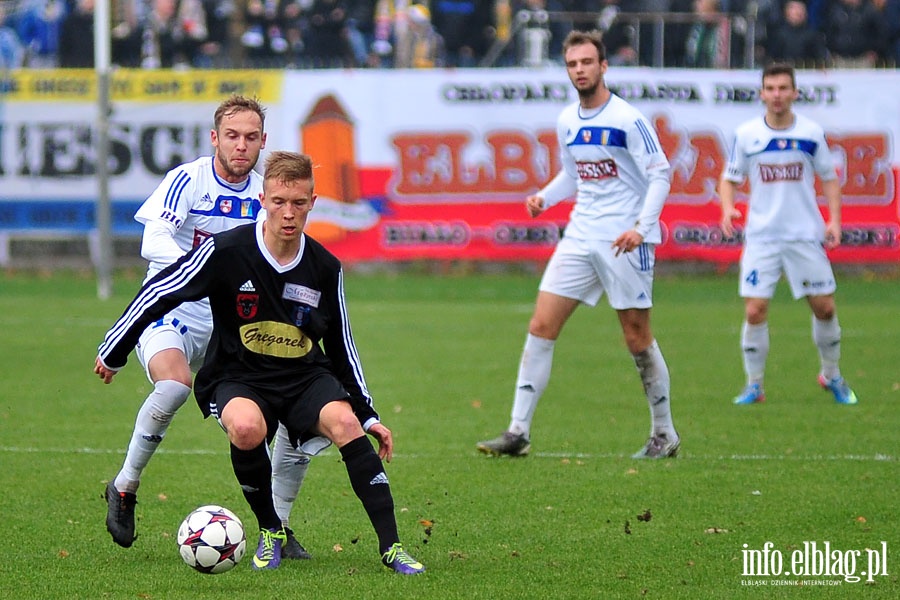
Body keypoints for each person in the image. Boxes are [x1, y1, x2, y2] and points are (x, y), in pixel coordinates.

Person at [94, 151, 426, 574]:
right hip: (238, 375)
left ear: (312, 202)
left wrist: (368, 414)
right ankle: (271, 530)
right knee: (248, 428)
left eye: (299, 203)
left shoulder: (325, 266)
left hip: (304, 374)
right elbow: (161, 290)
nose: (289, 213)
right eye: (279, 202)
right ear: (263, 200)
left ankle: (392, 547)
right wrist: (115, 348)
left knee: (345, 425)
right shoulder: (227, 250)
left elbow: (341, 342)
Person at [103, 96, 312, 561]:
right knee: (174, 386)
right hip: (172, 311)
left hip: (233, 330)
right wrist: (196, 268)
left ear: (263, 142)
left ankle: (276, 527)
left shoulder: (264, 197)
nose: (241, 145)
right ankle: (125, 487)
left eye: (251, 137)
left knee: (268, 422)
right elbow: (152, 237)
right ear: (215, 138)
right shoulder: (188, 180)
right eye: (232, 136)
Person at [476, 30, 680, 459]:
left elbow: (660, 173)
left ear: (603, 67)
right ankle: (518, 432)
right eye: (572, 64)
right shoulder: (569, 119)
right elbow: (572, 173)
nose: (580, 70)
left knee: (637, 336)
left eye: (587, 62)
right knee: (540, 326)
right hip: (580, 234)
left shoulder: (627, 118)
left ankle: (664, 434)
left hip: (625, 239)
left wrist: (642, 227)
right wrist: (543, 198)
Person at [719, 63, 859, 406]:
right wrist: (728, 208)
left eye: (783, 88)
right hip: (762, 236)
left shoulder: (810, 133)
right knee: (754, 310)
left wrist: (834, 220)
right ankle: (754, 385)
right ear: (762, 93)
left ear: (794, 93)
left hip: (803, 234)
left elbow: (829, 176)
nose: (777, 95)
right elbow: (729, 178)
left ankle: (832, 375)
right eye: (771, 88)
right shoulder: (747, 133)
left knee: (824, 308)